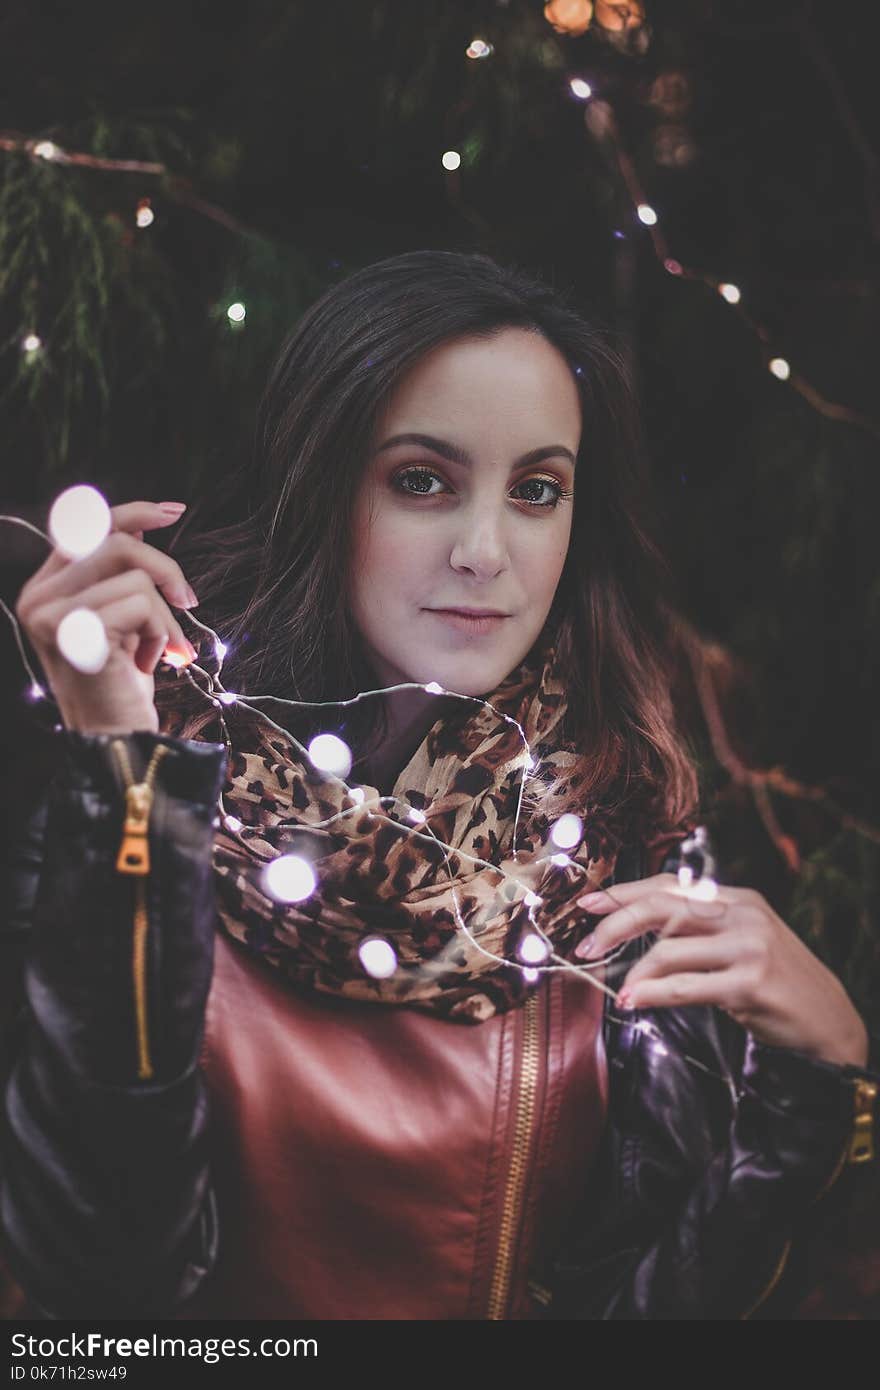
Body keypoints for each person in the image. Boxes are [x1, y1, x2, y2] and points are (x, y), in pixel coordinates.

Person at [2, 250, 878, 1322]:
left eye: (537, 490)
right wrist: (124, 768)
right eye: (422, 479)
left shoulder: (623, 833)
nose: (483, 550)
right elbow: (95, 1289)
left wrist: (821, 1072)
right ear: (322, 486)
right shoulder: (147, 804)